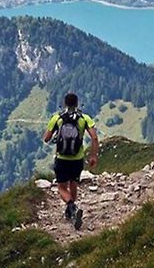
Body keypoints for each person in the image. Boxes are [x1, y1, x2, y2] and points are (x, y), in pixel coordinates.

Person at [43, 93, 98, 230]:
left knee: (61, 187)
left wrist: (54, 131)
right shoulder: (84, 118)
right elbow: (95, 138)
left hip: (61, 159)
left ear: (65, 103)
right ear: (77, 103)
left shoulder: (57, 118)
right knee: (74, 183)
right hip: (77, 159)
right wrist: (93, 156)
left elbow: (46, 138)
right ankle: (71, 211)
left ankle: (71, 207)